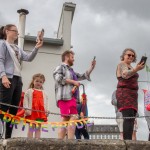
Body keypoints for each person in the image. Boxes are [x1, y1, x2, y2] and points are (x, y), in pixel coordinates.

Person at [0, 24, 43, 139]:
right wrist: (3, 76)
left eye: (18, 32)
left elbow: (28, 58)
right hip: (7, 78)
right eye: (15, 31)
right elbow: (0, 60)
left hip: (18, 79)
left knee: (14, 109)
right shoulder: (2, 44)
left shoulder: (17, 47)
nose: (17, 33)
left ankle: (8, 137)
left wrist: (37, 47)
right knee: (3, 107)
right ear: (7, 31)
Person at [53, 50, 96, 139]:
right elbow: (58, 78)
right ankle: (60, 142)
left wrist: (91, 67)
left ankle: (70, 141)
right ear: (66, 57)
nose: (74, 60)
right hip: (64, 97)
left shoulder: (71, 71)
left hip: (72, 98)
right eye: (72, 57)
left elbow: (83, 76)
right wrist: (73, 81)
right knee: (65, 118)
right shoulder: (60, 67)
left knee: (74, 117)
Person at [116, 48, 145, 140]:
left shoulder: (131, 67)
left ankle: (128, 141)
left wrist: (135, 69)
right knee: (128, 117)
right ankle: (127, 142)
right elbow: (125, 74)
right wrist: (136, 69)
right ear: (123, 56)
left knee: (131, 118)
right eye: (129, 55)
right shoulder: (121, 64)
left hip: (133, 95)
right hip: (125, 93)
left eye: (133, 55)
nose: (131, 57)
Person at [23, 73, 49, 138]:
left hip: (40, 113)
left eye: (40, 82)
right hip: (32, 112)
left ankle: (37, 141)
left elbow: (46, 102)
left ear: (43, 83)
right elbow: (25, 101)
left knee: (38, 127)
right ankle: (30, 141)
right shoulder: (29, 91)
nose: (38, 83)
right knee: (31, 127)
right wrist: (26, 109)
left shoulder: (44, 93)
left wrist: (47, 111)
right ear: (33, 81)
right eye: (37, 81)